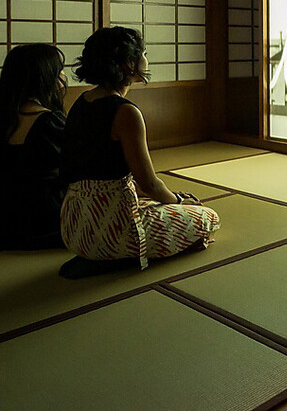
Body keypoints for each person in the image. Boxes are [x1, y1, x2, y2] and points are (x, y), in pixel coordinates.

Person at [57, 26, 219, 278]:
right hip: (112, 228)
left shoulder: (82, 101)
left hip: (74, 226)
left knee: (153, 205)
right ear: (128, 64)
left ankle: (106, 253)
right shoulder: (126, 113)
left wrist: (169, 197)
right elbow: (150, 184)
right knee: (208, 216)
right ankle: (120, 254)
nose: (146, 59)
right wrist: (178, 201)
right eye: (144, 53)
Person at [0, 44, 68, 250]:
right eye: (59, 69)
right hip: (43, 215)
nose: (63, 75)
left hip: (2, 212)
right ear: (45, 74)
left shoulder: (3, 115)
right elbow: (71, 170)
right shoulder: (49, 120)